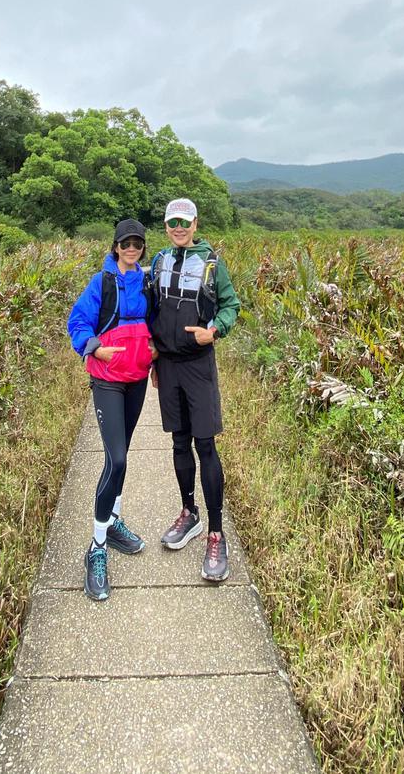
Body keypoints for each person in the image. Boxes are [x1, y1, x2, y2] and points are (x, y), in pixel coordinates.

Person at [148, 197, 240, 582]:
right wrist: (152, 355)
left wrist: (213, 330)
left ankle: (216, 533)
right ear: (166, 226)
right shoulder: (158, 261)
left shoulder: (213, 263)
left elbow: (231, 306)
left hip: (198, 365)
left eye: (185, 222)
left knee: (205, 445)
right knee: (179, 442)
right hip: (168, 366)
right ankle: (190, 513)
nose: (179, 228)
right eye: (173, 222)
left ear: (196, 224)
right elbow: (148, 309)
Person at [67, 218, 153, 601]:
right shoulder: (101, 282)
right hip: (107, 379)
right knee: (115, 459)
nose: (131, 248)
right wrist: (94, 347)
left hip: (136, 378)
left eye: (137, 243)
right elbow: (77, 321)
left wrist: (155, 352)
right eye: (126, 243)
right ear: (116, 246)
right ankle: (97, 548)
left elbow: (155, 321)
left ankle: (113, 521)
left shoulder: (145, 282)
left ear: (142, 248)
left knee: (123, 455)